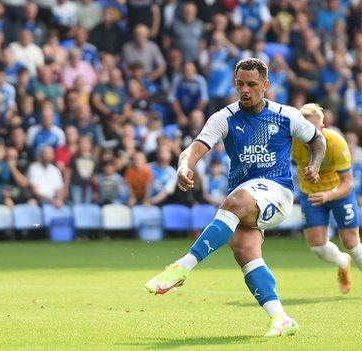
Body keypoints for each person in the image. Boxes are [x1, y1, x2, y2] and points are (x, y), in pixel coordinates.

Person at [144, 58, 326, 336]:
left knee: (234, 202)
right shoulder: (224, 118)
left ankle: (182, 268)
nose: (245, 90)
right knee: (245, 251)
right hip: (246, 197)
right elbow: (193, 149)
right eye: (240, 84)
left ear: (265, 85)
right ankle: (282, 319)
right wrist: (183, 167)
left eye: (252, 85)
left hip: (276, 192)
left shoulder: (286, 115)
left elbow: (317, 140)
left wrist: (314, 164)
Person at [291, 103, 362, 294]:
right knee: (317, 246)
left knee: (351, 244)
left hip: (339, 193)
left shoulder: (336, 142)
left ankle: (350, 257)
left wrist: (329, 195)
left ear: (322, 127)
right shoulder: (292, 141)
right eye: (303, 128)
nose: (307, 133)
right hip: (311, 195)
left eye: (313, 128)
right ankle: (341, 261)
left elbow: (348, 183)